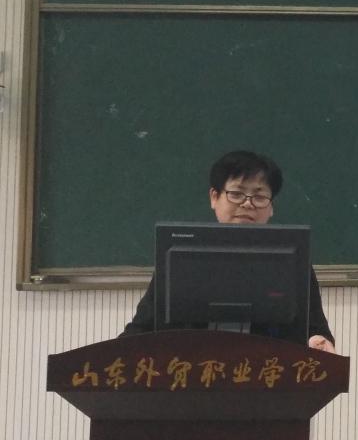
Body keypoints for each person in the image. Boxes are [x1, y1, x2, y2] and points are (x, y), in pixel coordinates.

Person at [122, 150, 336, 352]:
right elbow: (140, 329)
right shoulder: (177, 256)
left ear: (271, 207)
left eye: (259, 197)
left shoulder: (293, 262)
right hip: (190, 369)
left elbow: (316, 330)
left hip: (266, 371)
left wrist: (319, 341)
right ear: (214, 197)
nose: (247, 204)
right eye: (236, 193)